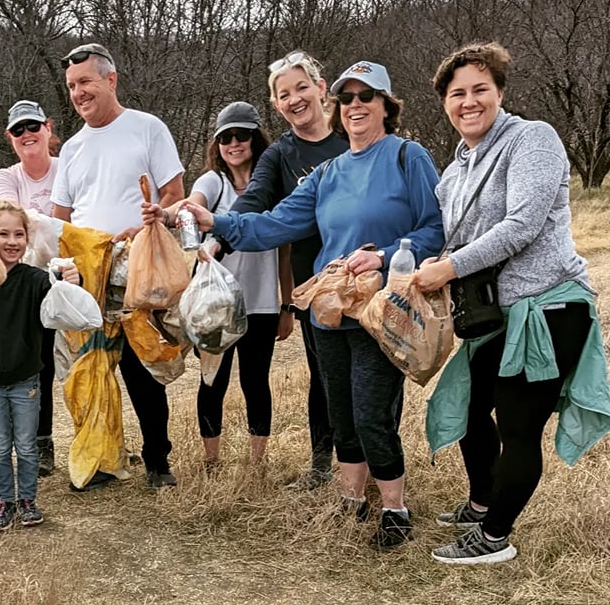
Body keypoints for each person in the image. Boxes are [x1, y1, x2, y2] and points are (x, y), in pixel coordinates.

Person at [169, 61, 444, 548]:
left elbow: (434, 228)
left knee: (371, 413)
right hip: (329, 307)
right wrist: (215, 222)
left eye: (367, 97)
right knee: (340, 410)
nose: (356, 106)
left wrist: (383, 255)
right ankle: (351, 501)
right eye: (349, 98)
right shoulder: (327, 173)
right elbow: (274, 223)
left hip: (384, 308)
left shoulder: (407, 156)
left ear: (386, 105)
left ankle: (395, 510)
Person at [416, 42, 610, 565]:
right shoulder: (454, 171)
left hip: (547, 310)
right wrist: (413, 264)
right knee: (471, 409)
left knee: (519, 427)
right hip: (492, 316)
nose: (469, 101)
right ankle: (482, 504)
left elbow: (521, 227)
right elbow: (454, 241)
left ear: (500, 93)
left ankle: (494, 537)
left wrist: (448, 268)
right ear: (445, 103)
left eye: (481, 89)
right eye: (458, 94)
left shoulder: (533, 139)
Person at [51, 43, 185, 489]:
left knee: (142, 368)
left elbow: (173, 191)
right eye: (71, 86)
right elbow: (60, 217)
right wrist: (61, 265)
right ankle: (100, 461)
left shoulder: (146, 128)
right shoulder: (71, 148)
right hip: (86, 276)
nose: (78, 93)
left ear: (110, 80)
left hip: (136, 269)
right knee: (88, 369)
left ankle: (157, 462)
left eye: (85, 82)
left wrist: (145, 224)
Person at [228, 52, 349, 487]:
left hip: (364, 277)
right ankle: (320, 465)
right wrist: (221, 230)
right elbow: (254, 198)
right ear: (276, 105)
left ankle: (374, 466)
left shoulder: (353, 136)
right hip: (312, 285)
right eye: (283, 95)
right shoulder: (280, 154)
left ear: (321, 88)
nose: (294, 99)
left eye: (301, 88)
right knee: (324, 377)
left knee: (371, 376)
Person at [162, 102, 287, 468]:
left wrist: (287, 305)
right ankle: (211, 460)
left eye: (241, 135)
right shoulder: (212, 183)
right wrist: (169, 214)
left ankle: (257, 461)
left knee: (256, 382)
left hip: (261, 302)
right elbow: (192, 205)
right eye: (225, 138)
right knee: (212, 381)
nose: (234, 144)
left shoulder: (273, 188)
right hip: (214, 306)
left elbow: (283, 251)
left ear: (255, 138)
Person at [0, 200, 81, 530]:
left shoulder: (35, 280)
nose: (11, 241)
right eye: (3, 233)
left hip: (26, 380)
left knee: (25, 445)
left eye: (19, 234)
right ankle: (5, 501)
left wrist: (70, 279)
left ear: (28, 239)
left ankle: (28, 500)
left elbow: (63, 299)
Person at [0, 100, 60, 477]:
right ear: (9, 138)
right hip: (23, 286)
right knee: (37, 363)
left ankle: (101, 443)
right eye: (18, 130)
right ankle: (38, 442)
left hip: (71, 278)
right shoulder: (7, 177)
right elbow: (12, 225)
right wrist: (54, 226)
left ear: (48, 127)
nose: (27, 135)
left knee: (87, 363)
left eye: (33, 126)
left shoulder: (69, 169)